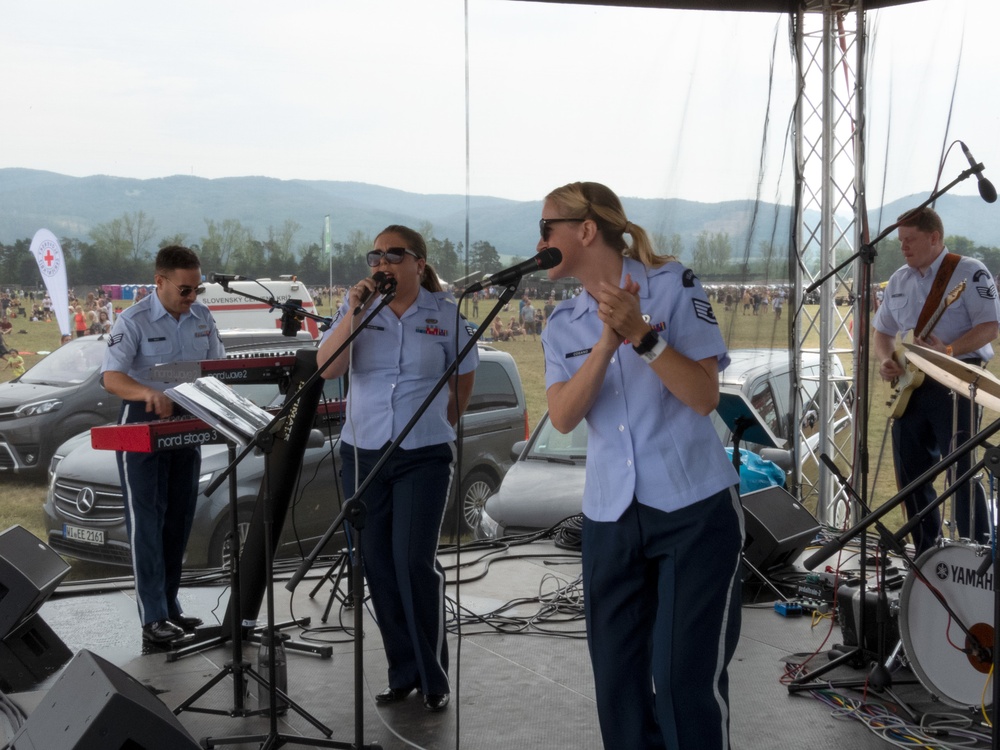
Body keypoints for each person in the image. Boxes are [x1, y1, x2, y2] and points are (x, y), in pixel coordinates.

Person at [538, 181, 742, 750]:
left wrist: (642, 336)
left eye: (546, 227)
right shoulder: (562, 323)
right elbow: (561, 416)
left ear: (584, 231)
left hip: (692, 507)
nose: (540, 239)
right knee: (619, 689)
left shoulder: (674, 284)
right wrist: (605, 344)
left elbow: (703, 396)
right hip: (609, 515)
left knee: (683, 684)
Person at [317, 224, 478, 712]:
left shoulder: (445, 317)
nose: (381, 263)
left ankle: (434, 676)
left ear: (418, 264)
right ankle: (403, 672)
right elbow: (327, 369)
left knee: (412, 563)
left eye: (393, 255)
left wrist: (436, 423)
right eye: (375, 256)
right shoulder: (359, 312)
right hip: (362, 453)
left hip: (423, 455)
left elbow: (463, 380)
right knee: (378, 567)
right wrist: (353, 313)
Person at [101, 246, 224, 646]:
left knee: (179, 520)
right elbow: (111, 378)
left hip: (186, 424)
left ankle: (171, 607)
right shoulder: (132, 319)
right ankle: (152, 616)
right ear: (160, 281)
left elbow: (216, 366)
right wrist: (146, 394)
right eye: (185, 290)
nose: (191, 298)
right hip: (142, 426)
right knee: (147, 522)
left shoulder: (202, 318)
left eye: (196, 290)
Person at [874, 206, 999, 555]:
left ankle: (980, 551)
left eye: (910, 239)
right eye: (900, 241)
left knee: (959, 472)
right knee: (910, 475)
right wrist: (886, 359)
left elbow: (991, 326)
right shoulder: (898, 279)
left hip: (956, 384)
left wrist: (951, 349)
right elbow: (881, 332)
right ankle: (927, 552)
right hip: (910, 388)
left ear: (934, 238)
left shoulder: (969, 272)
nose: (904, 247)